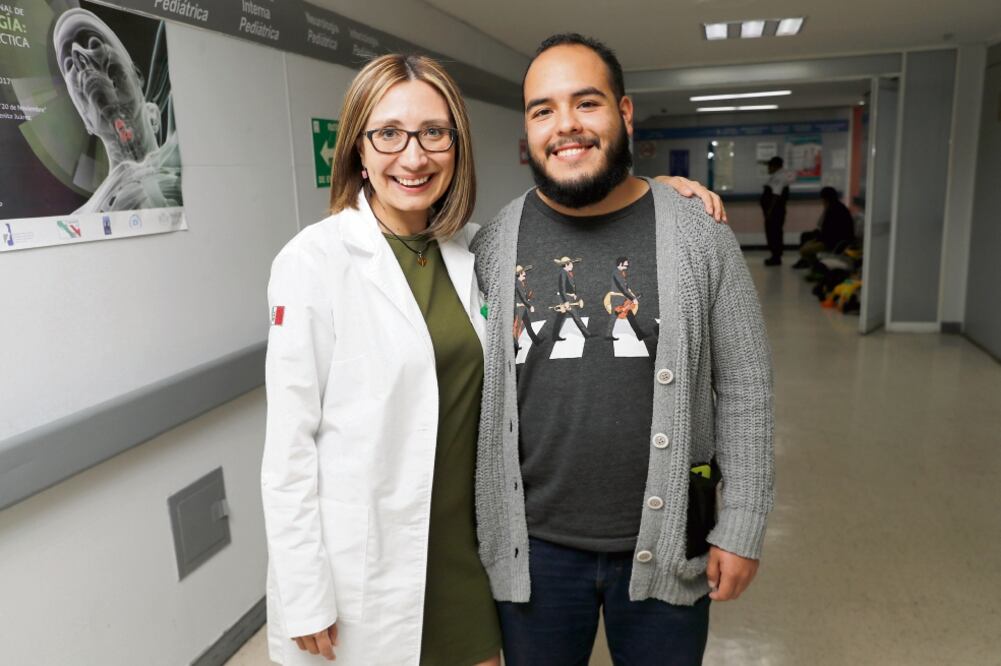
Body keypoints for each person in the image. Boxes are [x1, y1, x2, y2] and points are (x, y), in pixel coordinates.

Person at [261, 53, 726, 666]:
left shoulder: (476, 250)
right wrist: (303, 590)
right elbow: (290, 448)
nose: (414, 155)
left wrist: (657, 194)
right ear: (357, 149)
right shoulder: (313, 263)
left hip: (469, 555)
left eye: (434, 133)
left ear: (456, 144)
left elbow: (578, 222)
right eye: (389, 134)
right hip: (365, 563)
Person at [470, 33, 774, 665]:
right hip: (534, 553)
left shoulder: (697, 232)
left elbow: (745, 385)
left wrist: (741, 522)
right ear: (527, 129)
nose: (566, 126)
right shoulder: (493, 244)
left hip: (668, 544)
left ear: (624, 113)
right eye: (543, 110)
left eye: (587, 103)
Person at [53, 8, 181, 214]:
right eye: (69, 65)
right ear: (86, 121)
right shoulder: (84, 219)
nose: (78, 56)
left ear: (137, 75)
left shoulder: (181, 167)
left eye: (93, 43)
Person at [792, 186, 856, 268]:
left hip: (834, 242)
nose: (822, 201)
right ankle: (813, 265)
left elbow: (829, 231)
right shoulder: (835, 207)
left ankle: (816, 266)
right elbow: (825, 228)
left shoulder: (834, 210)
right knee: (806, 240)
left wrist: (818, 238)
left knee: (804, 250)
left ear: (826, 199)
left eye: (822, 199)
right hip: (832, 239)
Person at [760, 155, 795, 266]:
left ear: (774, 166)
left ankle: (776, 257)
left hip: (775, 212)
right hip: (773, 212)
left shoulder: (780, 177)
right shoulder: (777, 176)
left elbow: (776, 195)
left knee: (774, 233)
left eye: (769, 166)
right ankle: (775, 255)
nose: (768, 169)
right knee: (773, 233)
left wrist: (769, 211)